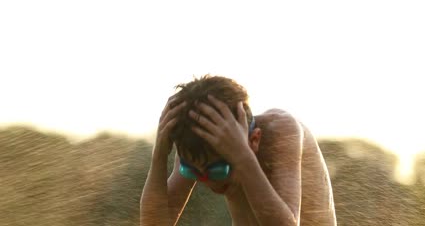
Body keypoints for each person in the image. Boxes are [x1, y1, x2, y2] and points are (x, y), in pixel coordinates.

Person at [140, 75, 337, 226]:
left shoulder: (281, 130)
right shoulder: (202, 149)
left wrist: (243, 157)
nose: (208, 182)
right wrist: (158, 156)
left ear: (254, 140)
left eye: (219, 170)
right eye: (191, 171)